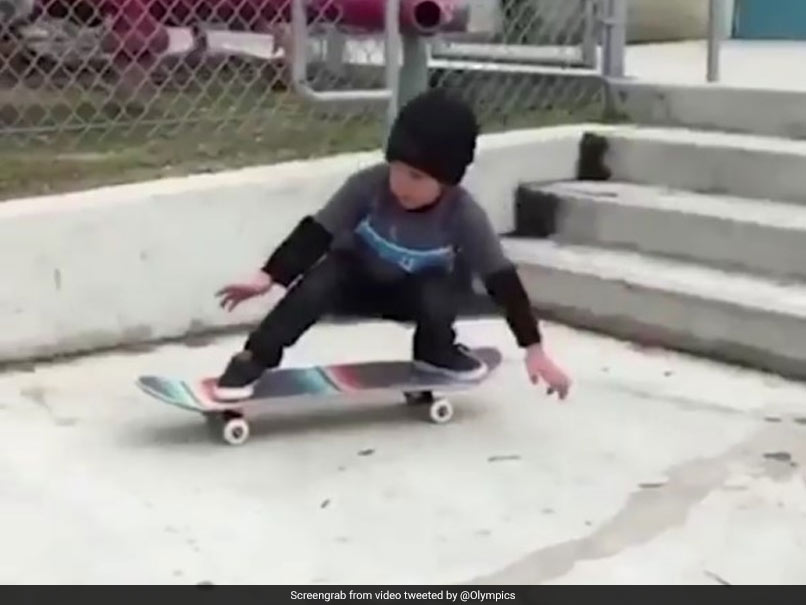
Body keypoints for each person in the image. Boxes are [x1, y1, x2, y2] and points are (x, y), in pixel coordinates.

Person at [213, 89, 571, 402]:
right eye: (397, 169)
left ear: (447, 180)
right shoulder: (368, 186)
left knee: (443, 283)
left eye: (417, 177)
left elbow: (502, 280)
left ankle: (435, 351)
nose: (402, 184)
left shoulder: (463, 213)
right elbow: (318, 231)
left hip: (413, 298)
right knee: (324, 275)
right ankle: (254, 359)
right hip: (357, 285)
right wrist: (269, 276)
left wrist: (533, 348)